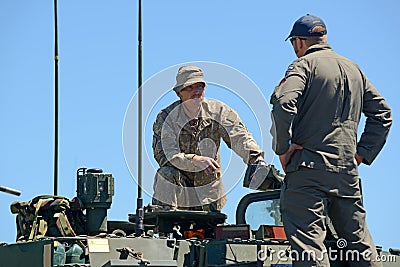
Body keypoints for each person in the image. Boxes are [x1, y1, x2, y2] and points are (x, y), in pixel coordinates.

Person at [270, 14, 392, 266]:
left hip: (309, 170)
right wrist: (362, 153)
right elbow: (383, 113)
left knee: (309, 248)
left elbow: (284, 103)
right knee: (359, 247)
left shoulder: (303, 66)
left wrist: (282, 148)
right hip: (347, 172)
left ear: (299, 42)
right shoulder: (353, 68)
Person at [152, 65, 265, 211]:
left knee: (210, 231)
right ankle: (165, 224)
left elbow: (239, 137)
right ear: (179, 93)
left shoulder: (219, 112)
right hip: (178, 190)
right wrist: (194, 160)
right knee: (165, 174)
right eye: (190, 88)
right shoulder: (166, 117)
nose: (196, 92)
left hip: (209, 192)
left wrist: (256, 160)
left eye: (200, 87)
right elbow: (165, 155)